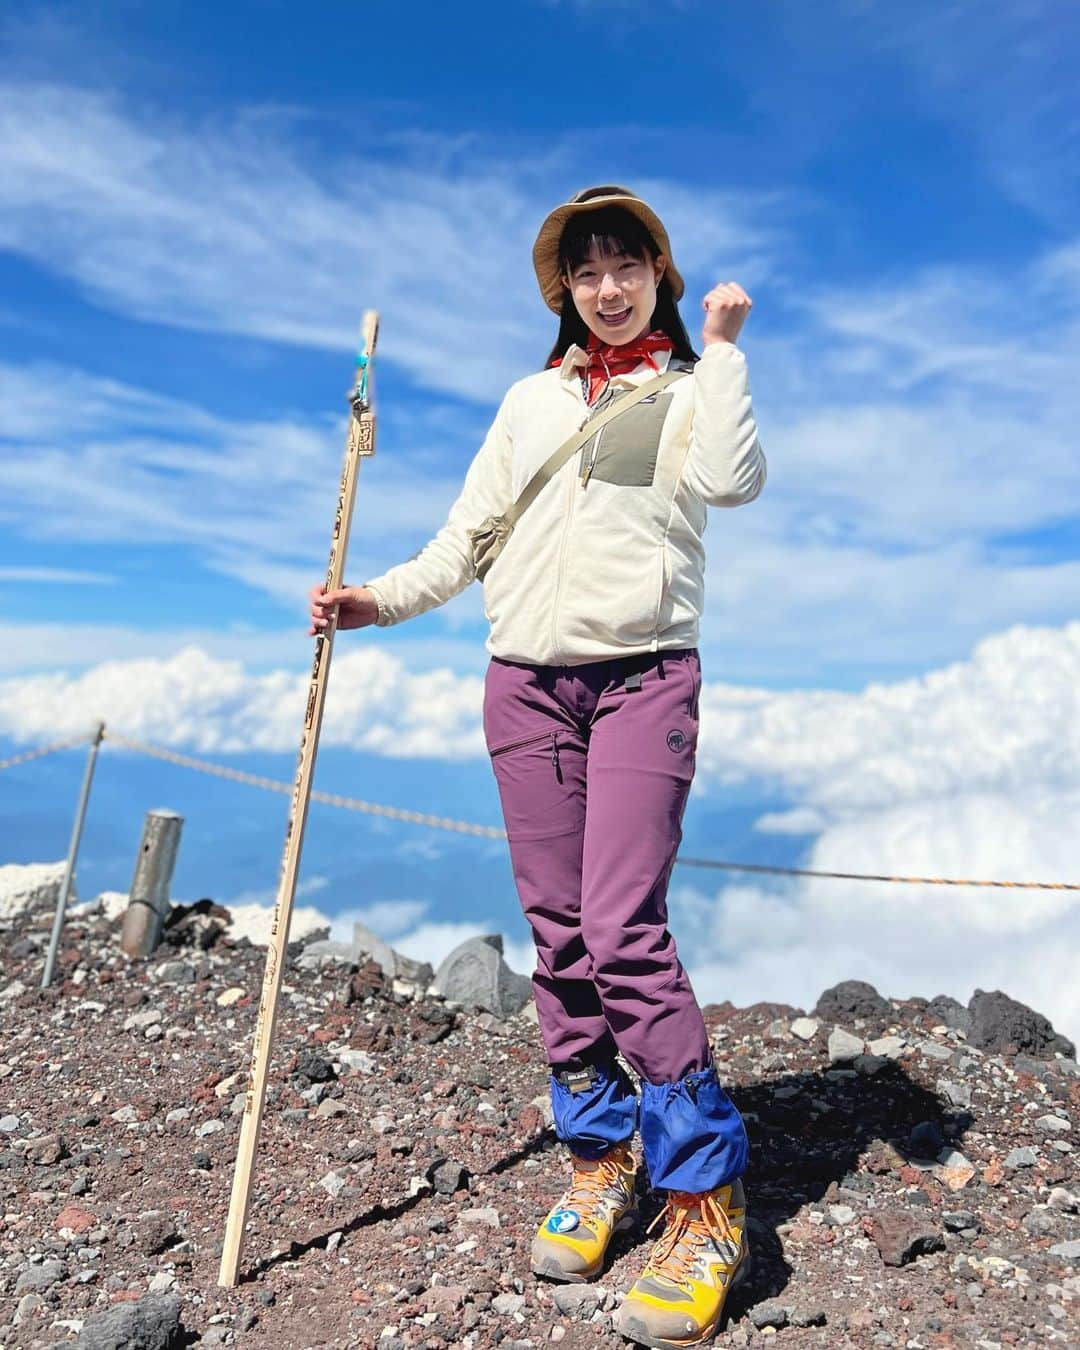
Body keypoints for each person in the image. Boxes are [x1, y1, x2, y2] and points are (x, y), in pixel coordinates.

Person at [310, 185, 766, 1348]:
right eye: (587, 270)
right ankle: (602, 1152)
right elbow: (466, 539)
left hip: (642, 679)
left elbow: (733, 480)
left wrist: (719, 354)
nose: (607, 287)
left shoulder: (684, 389)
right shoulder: (528, 401)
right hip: (524, 684)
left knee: (621, 928)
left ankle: (705, 1201)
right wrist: (373, 603)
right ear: (561, 289)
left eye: (628, 266)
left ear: (660, 273)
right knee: (557, 931)